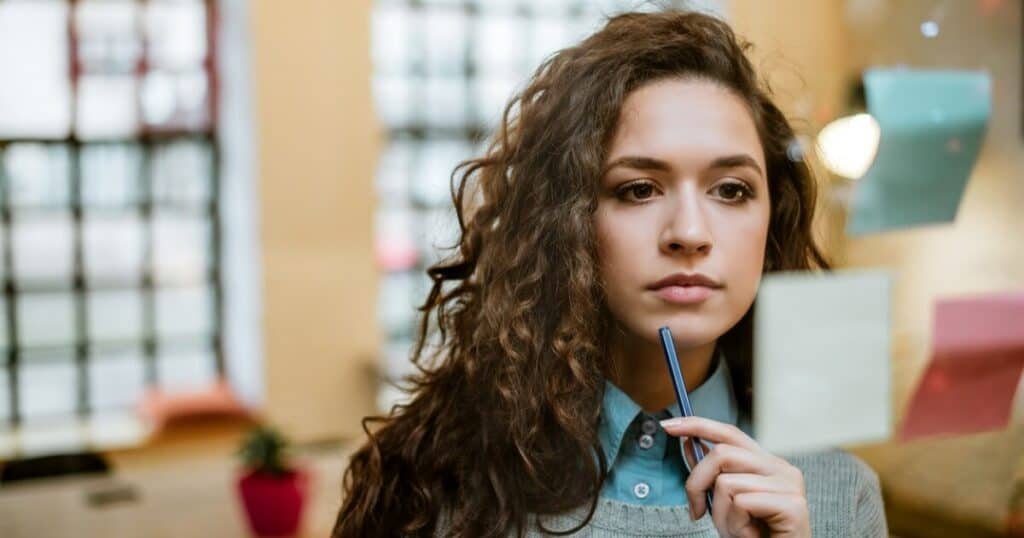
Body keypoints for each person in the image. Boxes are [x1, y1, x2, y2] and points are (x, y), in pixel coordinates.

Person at [333, 9, 888, 538]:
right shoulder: (440, 487)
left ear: (772, 222)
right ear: (567, 223)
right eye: (639, 189)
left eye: (731, 190)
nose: (689, 232)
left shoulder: (837, 497)